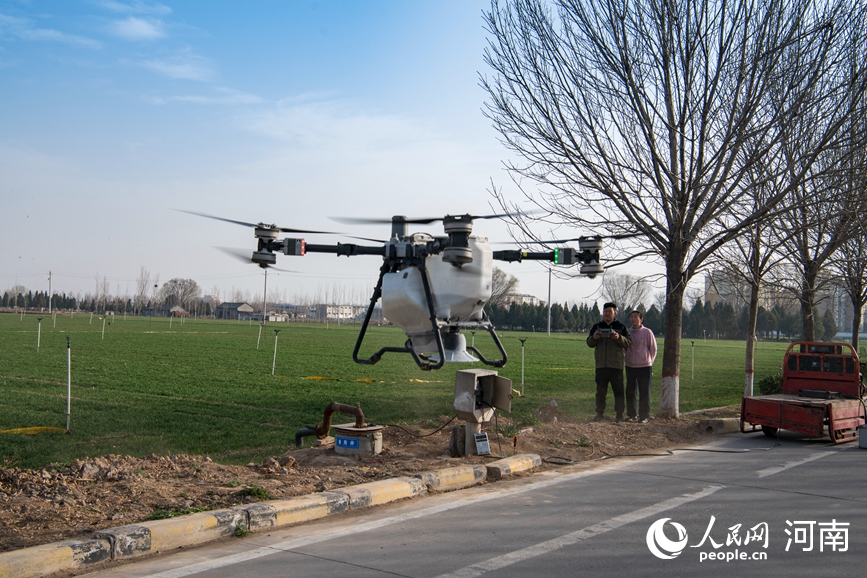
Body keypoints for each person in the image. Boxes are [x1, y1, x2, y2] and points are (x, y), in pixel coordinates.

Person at [587, 302, 631, 422]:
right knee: (600, 392)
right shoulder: (597, 327)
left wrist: (618, 337)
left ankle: (619, 415)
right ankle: (599, 414)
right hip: (601, 365)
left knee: (618, 391)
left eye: (610, 312)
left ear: (614, 313)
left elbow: (628, 342)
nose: (607, 314)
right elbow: (589, 343)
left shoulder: (620, 327)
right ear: (603, 313)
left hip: (616, 365)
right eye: (605, 312)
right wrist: (594, 338)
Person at [625, 310, 657, 423]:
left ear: (641, 319)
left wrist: (649, 361)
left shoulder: (647, 332)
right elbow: (624, 347)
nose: (633, 319)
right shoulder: (627, 332)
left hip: (644, 366)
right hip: (630, 366)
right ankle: (631, 414)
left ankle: (644, 416)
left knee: (644, 391)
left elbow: (653, 349)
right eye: (632, 317)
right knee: (630, 391)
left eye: (636, 317)